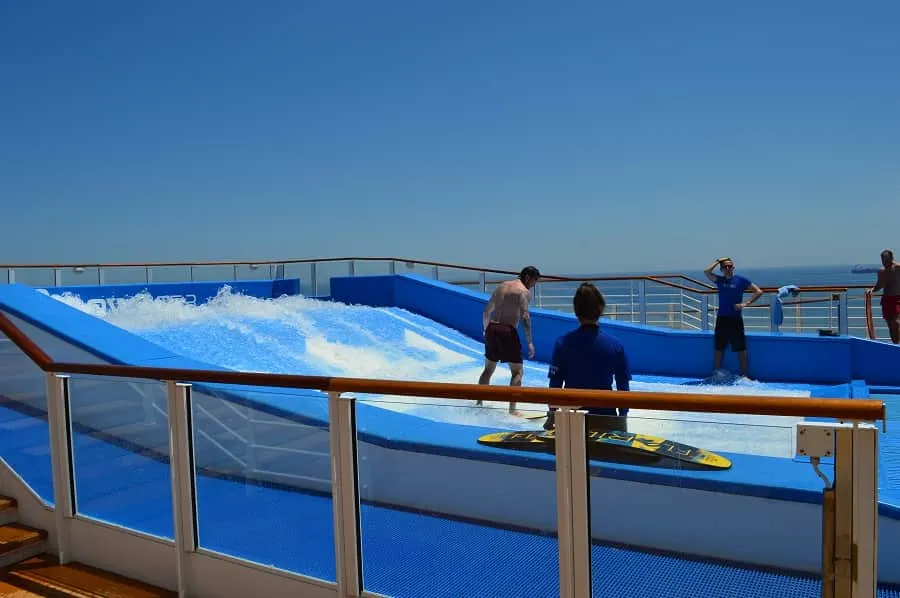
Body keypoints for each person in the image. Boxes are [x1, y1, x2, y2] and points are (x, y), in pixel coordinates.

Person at [542, 282, 631, 433]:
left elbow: (555, 385)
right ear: (600, 309)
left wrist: (552, 416)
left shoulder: (563, 343)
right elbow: (623, 387)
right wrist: (622, 419)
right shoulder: (615, 346)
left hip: (571, 419)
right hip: (606, 419)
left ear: (576, 310)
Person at [476, 266, 541, 415]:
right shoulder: (523, 292)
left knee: (488, 369)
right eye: (534, 282)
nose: (533, 286)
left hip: (492, 328)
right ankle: (512, 410)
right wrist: (530, 342)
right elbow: (525, 317)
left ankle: (478, 404)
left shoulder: (502, 286)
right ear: (528, 278)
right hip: (507, 331)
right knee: (517, 372)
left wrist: (486, 330)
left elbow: (487, 311)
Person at [703, 257, 763, 377]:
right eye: (725, 266)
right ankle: (716, 374)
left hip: (735, 319)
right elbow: (706, 272)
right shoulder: (719, 280)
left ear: (733, 268)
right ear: (721, 269)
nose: (728, 268)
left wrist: (745, 304)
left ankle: (745, 376)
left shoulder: (741, 280)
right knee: (719, 348)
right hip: (722, 319)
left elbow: (758, 291)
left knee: (741, 349)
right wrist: (718, 260)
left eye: (730, 266)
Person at [866, 249, 900, 344]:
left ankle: (897, 345)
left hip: (897, 298)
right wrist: (872, 290)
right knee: (890, 324)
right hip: (887, 299)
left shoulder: (898, 268)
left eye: (886, 259)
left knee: (896, 322)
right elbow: (879, 285)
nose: (884, 262)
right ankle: (895, 344)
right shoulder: (882, 271)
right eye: (882, 259)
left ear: (891, 258)